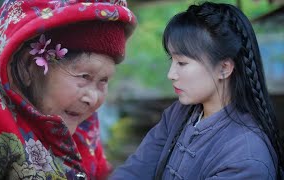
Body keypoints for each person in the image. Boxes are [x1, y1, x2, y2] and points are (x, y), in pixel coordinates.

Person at [0, 0, 136, 179]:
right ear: (28, 65)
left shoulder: (74, 116)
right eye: (84, 76)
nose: (92, 99)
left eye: (104, 80)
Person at [111, 2, 284, 180]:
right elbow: (135, 170)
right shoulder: (178, 113)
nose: (171, 74)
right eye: (172, 59)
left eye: (182, 63)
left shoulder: (246, 157)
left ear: (224, 68)